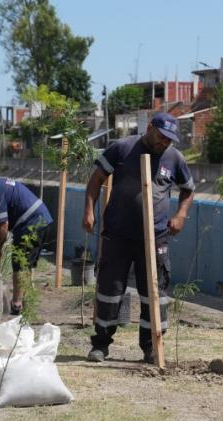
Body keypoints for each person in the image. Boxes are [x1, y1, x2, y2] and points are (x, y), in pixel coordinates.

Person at [82, 112, 195, 364]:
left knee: (154, 292)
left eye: (169, 140)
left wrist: (180, 215)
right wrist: (89, 210)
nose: (164, 143)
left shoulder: (174, 158)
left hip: (155, 237)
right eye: (161, 136)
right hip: (118, 235)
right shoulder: (122, 148)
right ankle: (101, 344)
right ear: (150, 128)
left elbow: (188, 190)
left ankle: (150, 346)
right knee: (109, 290)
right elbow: (96, 180)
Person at [0, 171, 53, 315]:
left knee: (19, 263)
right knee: (25, 264)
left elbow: (4, 226)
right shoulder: (0, 184)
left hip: (32, 223)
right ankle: (25, 302)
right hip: (42, 220)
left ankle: (16, 306)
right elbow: (4, 217)